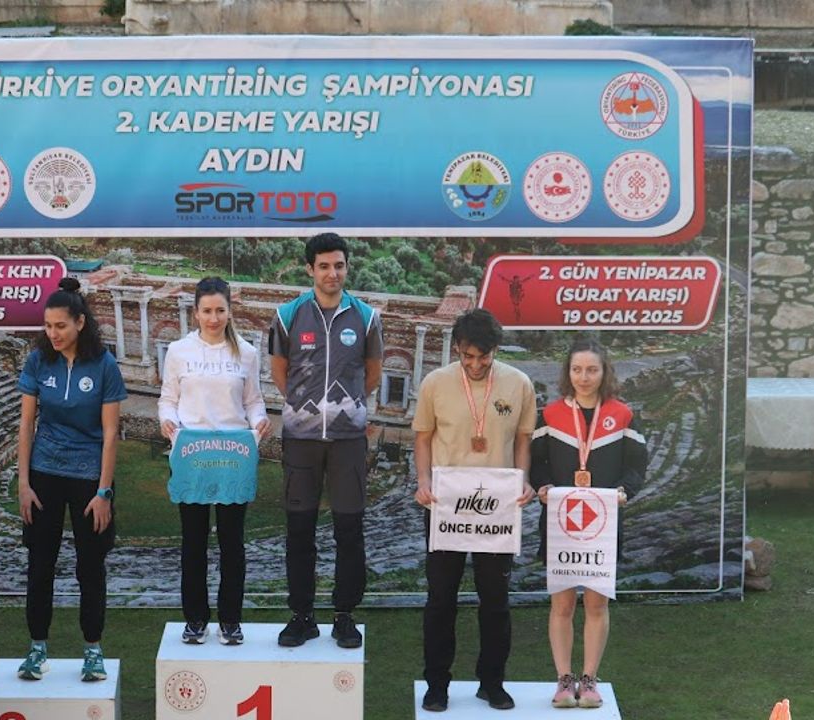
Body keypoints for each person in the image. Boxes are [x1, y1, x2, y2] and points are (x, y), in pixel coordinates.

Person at [412, 309, 536, 712]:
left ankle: (492, 682)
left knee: (496, 601)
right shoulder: (435, 383)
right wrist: (423, 481)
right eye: (468, 356)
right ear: (457, 349)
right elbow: (423, 438)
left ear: (495, 350)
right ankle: (437, 684)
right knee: (441, 599)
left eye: (484, 357)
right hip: (446, 505)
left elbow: (523, 440)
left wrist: (523, 480)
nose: (476, 365)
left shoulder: (519, 383)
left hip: (497, 509)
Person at [268, 232, 383, 648]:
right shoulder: (287, 315)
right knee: (300, 530)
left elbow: (372, 373)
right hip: (301, 439)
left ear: (347, 267)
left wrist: (343, 410)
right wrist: (305, 408)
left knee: (349, 529)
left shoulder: (366, 317)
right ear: (310, 269)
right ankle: (302, 615)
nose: (332, 273)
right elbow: (279, 371)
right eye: (324, 266)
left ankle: (344, 615)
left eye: (339, 265)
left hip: (348, 440)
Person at [16, 277, 127, 682]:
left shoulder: (104, 365)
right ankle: (37, 649)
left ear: (80, 322)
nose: (53, 333)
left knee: (90, 568)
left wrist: (104, 491)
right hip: (44, 474)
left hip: (89, 479)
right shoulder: (37, 361)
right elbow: (26, 424)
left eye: (60, 325)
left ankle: (93, 651)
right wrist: (24, 483)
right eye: (48, 326)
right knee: (39, 565)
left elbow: (111, 434)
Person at [529, 338, 647, 709]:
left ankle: (590, 679)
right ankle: (564, 680)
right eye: (577, 369)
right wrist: (542, 485)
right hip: (561, 523)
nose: (584, 377)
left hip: (603, 524)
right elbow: (536, 462)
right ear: (568, 373)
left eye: (592, 370)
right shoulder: (550, 415)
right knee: (562, 605)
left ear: (604, 372)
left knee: (596, 604)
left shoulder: (623, 415)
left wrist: (626, 489)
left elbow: (636, 465)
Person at [159, 277, 272, 646]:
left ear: (229, 311)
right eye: (206, 311)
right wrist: (167, 421)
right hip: (192, 456)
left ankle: (230, 621)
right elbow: (168, 399)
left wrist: (259, 421)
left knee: (231, 543)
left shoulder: (247, 354)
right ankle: (195, 620)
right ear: (195, 313)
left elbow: (253, 401)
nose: (213, 318)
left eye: (220, 310)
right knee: (193, 543)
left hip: (232, 457)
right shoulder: (178, 351)